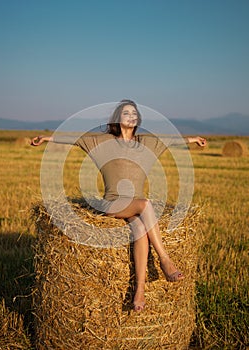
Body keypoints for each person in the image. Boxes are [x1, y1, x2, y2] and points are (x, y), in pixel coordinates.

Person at [31, 99, 206, 312]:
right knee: (145, 204)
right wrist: (46, 138)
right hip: (112, 203)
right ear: (117, 118)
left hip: (135, 206)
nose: (131, 116)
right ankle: (164, 259)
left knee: (141, 229)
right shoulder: (102, 141)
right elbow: (75, 138)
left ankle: (139, 290)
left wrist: (194, 139)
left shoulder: (147, 142)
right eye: (126, 113)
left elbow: (171, 140)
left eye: (134, 113)